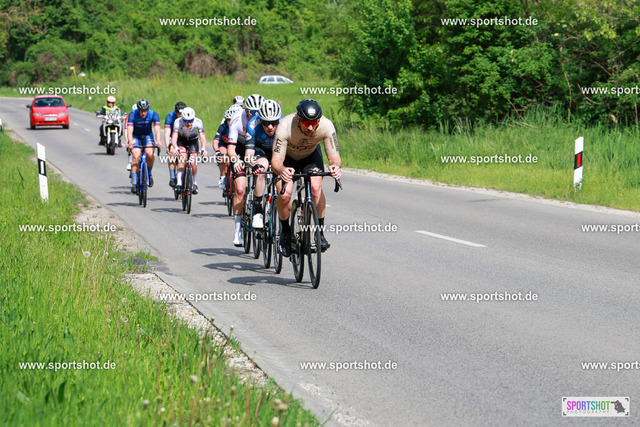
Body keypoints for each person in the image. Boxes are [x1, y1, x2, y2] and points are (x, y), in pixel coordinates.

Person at [271, 99, 342, 257]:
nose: (310, 128)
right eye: (306, 123)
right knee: (285, 194)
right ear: (298, 119)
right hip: (287, 159)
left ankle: (320, 233)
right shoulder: (285, 126)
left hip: (310, 157)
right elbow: (275, 161)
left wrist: (335, 167)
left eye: (314, 123)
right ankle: (285, 233)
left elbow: (335, 157)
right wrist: (282, 170)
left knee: (316, 188)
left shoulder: (326, 125)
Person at [227, 94, 264, 246]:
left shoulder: (263, 119)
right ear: (246, 110)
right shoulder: (237, 119)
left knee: (262, 174)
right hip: (240, 150)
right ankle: (237, 230)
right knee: (241, 189)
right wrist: (236, 160)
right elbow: (231, 148)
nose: (254, 116)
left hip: (257, 148)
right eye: (252, 113)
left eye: (258, 113)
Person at [244, 99, 282, 228]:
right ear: (260, 120)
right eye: (266, 123)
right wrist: (253, 164)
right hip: (260, 151)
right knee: (262, 168)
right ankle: (258, 212)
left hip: (278, 151)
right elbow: (248, 154)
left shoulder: (285, 125)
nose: (270, 127)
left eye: (274, 123)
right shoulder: (252, 125)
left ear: (279, 120)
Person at [126, 99, 161, 194]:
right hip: (136, 136)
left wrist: (158, 140)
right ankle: (134, 183)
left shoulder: (153, 114)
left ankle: (149, 173)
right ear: (138, 110)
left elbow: (157, 129)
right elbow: (129, 129)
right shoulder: (133, 115)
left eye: (145, 111)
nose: (143, 113)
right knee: (136, 157)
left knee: (150, 154)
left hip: (147, 135)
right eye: (141, 111)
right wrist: (130, 141)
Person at [170, 107, 207, 195]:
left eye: (191, 121)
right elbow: (174, 137)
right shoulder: (177, 122)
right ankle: (179, 183)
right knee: (182, 158)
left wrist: (203, 148)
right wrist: (176, 147)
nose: (189, 123)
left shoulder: (198, 122)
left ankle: (194, 182)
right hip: (181, 140)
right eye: (186, 121)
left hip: (193, 141)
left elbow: (202, 137)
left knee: (193, 162)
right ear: (183, 119)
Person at [213, 104, 243, 191]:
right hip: (224, 145)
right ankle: (223, 177)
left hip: (236, 146)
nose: (231, 123)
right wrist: (217, 151)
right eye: (229, 120)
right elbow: (215, 141)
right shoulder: (223, 126)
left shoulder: (241, 126)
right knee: (223, 157)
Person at [164, 101, 186, 187]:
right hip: (172, 136)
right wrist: (168, 146)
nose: (180, 115)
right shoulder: (170, 117)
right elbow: (167, 133)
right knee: (172, 153)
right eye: (178, 113)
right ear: (175, 112)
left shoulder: (188, 116)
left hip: (183, 137)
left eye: (182, 113)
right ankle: (172, 177)